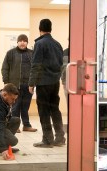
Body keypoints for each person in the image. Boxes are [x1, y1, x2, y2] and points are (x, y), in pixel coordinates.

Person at [28, 19, 65, 148]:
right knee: (55, 110)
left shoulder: (40, 44)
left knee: (44, 111)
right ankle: (60, 138)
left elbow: (36, 65)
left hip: (43, 83)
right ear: (51, 29)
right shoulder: (58, 44)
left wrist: (31, 83)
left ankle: (47, 140)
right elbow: (61, 64)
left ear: (40, 29)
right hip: (55, 82)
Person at [2, 34, 37, 133]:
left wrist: (33, 83)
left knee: (25, 106)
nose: (22, 42)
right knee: (15, 107)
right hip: (14, 86)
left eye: (24, 41)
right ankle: (15, 126)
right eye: (20, 40)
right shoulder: (10, 53)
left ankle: (26, 125)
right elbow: (5, 68)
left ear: (27, 42)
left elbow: (35, 69)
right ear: (17, 42)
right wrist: (6, 82)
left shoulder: (32, 53)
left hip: (28, 85)